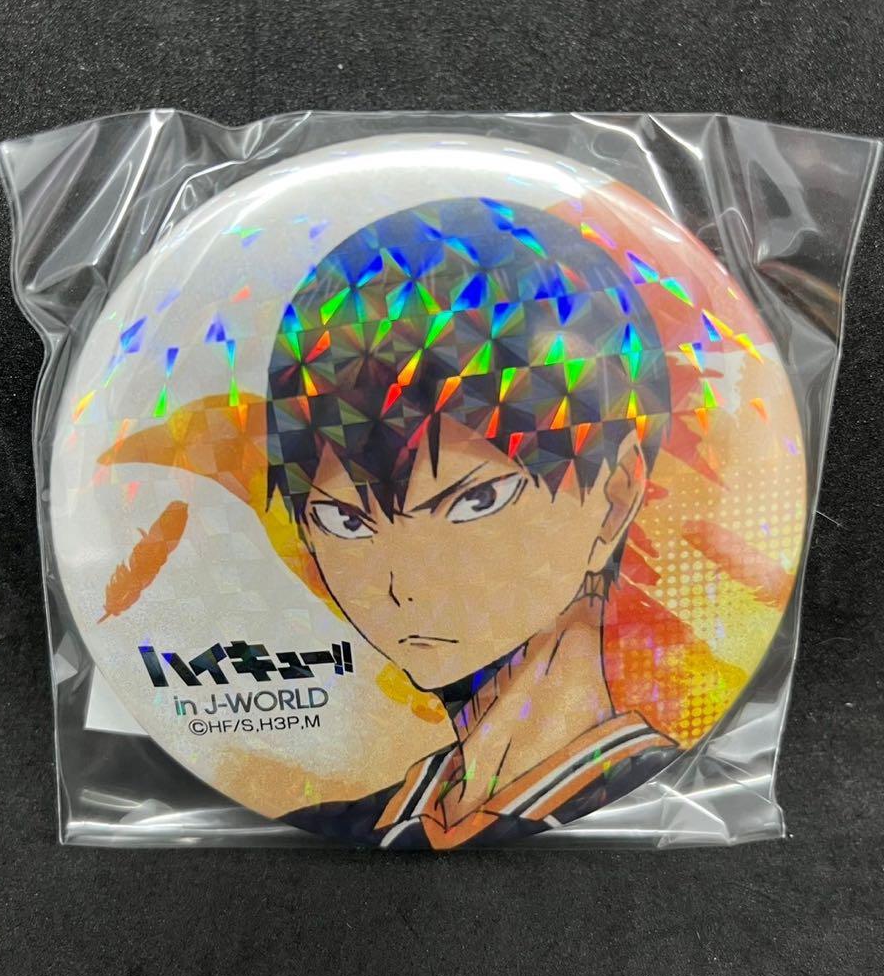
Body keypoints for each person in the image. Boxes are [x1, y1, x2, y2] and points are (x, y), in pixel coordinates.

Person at [267, 197, 680, 848]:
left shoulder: (661, 798)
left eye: (476, 503)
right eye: (345, 521)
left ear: (616, 495)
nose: (404, 585)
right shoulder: (367, 818)